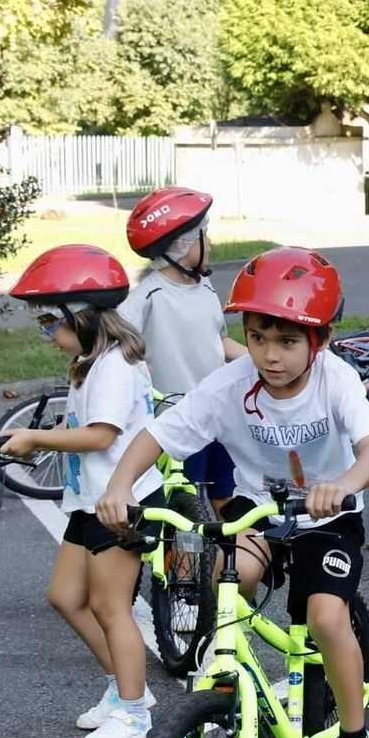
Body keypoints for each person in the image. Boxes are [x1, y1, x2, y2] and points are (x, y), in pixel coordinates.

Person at [95, 247, 369, 738]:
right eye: (257, 338)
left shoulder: (337, 380)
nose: (269, 355)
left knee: (328, 617)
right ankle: (231, 673)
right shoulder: (229, 384)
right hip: (256, 515)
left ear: (321, 340)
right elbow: (157, 434)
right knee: (233, 576)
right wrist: (120, 485)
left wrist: (343, 485)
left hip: (326, 518)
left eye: (286, 341)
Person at [2, 245, 161, 738]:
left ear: (85, 316)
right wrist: (48, 435)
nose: (46, 333)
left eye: (51, 321)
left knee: (112, 608)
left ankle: (134, 714)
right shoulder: (90, 361)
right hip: (88, 499)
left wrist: (35, 438)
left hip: (120, 502)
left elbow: (100, 435)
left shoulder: (113, 365)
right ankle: (124, 687)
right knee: (66, 597)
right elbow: (84, 428)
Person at [119, 186, 246, 511]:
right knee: (185, 502)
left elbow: (218, 342)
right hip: (178, 419)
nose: (211, 243)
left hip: (218, 411)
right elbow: (116, 349)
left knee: (225, 492)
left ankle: (229, 556)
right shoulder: (147, 297)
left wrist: (258, 360)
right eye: (205, 235)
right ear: (182, 244)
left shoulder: (204, 286)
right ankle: (186, 560)